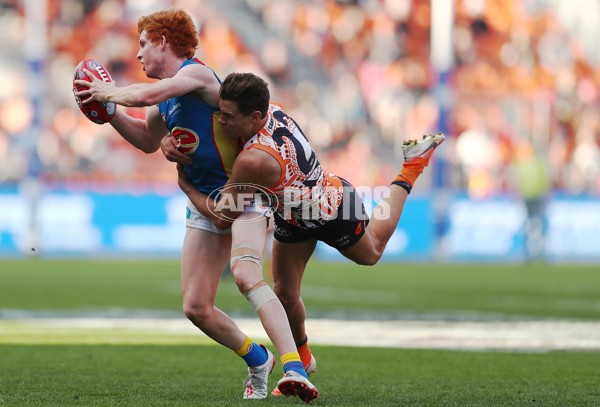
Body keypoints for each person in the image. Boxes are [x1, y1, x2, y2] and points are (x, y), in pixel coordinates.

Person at [73, 9, 317, 402]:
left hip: (244, 195)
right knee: (196, 306)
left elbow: (149, 94)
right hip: (204, 200)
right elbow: (147, 140)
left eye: (143, 44)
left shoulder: (197, 76)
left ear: (163, 42)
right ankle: (259, 359)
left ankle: (294, 366)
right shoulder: (164, 100)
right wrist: (110, 114)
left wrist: (108, 93)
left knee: (245, 275)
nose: (138, 54)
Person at [165, 72, 445, 395]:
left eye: (228, 116)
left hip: (331, 207)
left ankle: (411, 167)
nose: (221, 121)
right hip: (293, 213)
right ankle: (303, 360)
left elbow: (221, 218)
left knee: (373, 251)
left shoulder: (254, 159)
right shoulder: (269, 110)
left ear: (255, 116)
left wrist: (185, 184)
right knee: (284, 293)